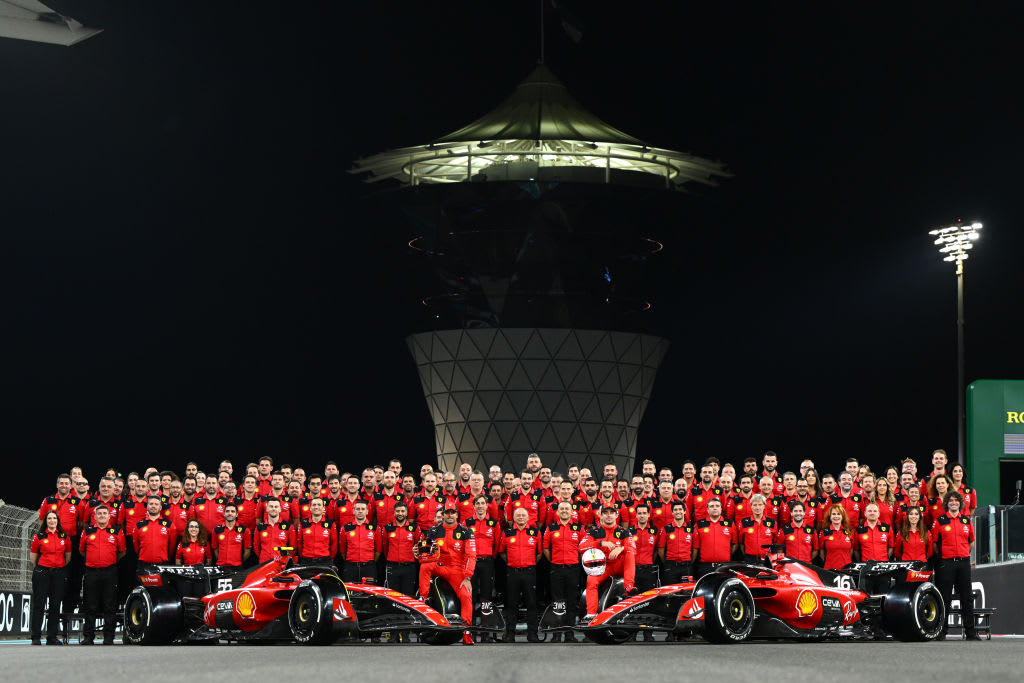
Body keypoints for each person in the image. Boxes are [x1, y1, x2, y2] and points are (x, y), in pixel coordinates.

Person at [417, 501, 476, 645]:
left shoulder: (466, 532)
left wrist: (468, 576)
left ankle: (466, 633)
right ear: (443, 515)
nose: (450, 515)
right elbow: (424, 554)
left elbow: (471, 555)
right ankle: (422, 599)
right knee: (425, 566)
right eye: (447, 513)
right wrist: (418, 554)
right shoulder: (433, 531)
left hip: (458, 571)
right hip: (440, 567)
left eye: (452, 512)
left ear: (457, 514)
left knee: (466, 596)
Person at [930, 491, 980, 640]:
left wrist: (963, 555)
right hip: (946, 563)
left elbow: (971, 542)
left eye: (956, 500)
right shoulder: (940, 521)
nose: (953, 502)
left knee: (967, 598)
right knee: (944, 598)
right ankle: (942, 632)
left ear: (960, 503)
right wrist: (945, 558)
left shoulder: (966, 520)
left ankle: (970, 633)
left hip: (964, 562)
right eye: (950, 500)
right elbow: (934, 545)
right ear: (946, 503)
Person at [578, 505, 636, 624]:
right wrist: (601, 542)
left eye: (611, 512)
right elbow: (581, 547)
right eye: (605, 512)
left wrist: (621, 548)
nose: (608, 515)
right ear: (600, 515)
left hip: (620, 566)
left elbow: (633, 549)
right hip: (604, 567)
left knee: (629, 553)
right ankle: (591, 614)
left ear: (616, 515)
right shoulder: (594, 531)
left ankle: (628, 588)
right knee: (591, 580)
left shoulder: (624, 531)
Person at [78, 505, 124, 645]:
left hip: (109, 572)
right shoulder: (87, 530)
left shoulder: (116, 531)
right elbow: (81, 550)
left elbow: (122, 551)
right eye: (100, 514)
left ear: (109, 516)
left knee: (109, 605)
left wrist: (109, 561)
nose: (102, 515)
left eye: (105, 513)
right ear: (95, 516)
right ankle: (88, 637)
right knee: (90, 605)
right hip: (91, 572)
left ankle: (108, 637)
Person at [543, 501, 582, 643]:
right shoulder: (551, 528)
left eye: (567, 509)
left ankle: (569, 633)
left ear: (572, 512)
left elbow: (583, 547)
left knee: (571, 602)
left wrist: (576, 560)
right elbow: (545, 548)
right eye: (562, 509)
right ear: (557, 512)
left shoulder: (578, 528)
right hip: (557, 569)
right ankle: (556, 634)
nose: (564, 511)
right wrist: (553, 560)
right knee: (557, 602)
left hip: (573, 569)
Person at [29, 510, 70, 645]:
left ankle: (51, 637)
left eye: (54, 518)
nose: (52, 521)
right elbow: (33, 557)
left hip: (58, 573)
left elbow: (68, 556)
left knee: (55, 605)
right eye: (49, 519)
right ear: (46, 521)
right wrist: (42, 567)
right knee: (39, 605)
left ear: (58, 521)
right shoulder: (39, 536)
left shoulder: (64, 536)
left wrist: (58, 566)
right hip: (42, 572)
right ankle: (36, 637)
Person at [465, 495, 501, 641]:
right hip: (471, 563)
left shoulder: (494, 523)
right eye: (477, 503)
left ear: (487, 506)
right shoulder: (467, 522)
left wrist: (489, 557)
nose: (480, 506)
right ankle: (471, 630)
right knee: (470, 598)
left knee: (486, 598)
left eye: (483, 503)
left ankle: (486, 632)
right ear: (473, 506)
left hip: (487, 562)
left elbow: (497, 544)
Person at [338, 500, 379, 584]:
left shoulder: (375, 528)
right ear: (353, 511)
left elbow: (378, 550)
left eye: (363, 509)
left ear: (367, 511)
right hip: (351, 567)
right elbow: (342, 550)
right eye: (358, 509)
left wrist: (369, 562)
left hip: (369, 567)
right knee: (350, 593)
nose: (360, 511)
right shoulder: (345, 528)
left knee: (369, 594)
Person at [692, 498, 734, 577]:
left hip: (724, 566)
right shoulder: (699, 524)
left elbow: (735, 544)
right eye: (712, 506)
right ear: (707, 510)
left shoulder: (730, 524)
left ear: (721, 509)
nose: (714, 508)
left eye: (717, 506)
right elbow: (695, 546)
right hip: (704, 567)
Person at [254, 499, 295, 564]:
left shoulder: (288, 527)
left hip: (281, 564)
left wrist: (284, 560)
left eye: (276, 507)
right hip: (263, 564)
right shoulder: (259, 527)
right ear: (267, 508)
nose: (273, 509)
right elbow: (256, 548)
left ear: (280, 509)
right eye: (271, 506)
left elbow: (292, 548)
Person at [737, 494, 776, 563]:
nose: (757, 508)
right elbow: (741, 543)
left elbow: (774, 541)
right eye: (755, 505)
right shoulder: (743, 523)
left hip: (767, 560)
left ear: (764, 506)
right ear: (751, 506)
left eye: (760, 505)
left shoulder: (772, 523)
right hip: (749, 559)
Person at [297, 497, 336, 565]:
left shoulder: (330, 523)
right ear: (310, 508)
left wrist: (329, 557)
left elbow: (334, 544)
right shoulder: (303, 523)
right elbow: (299, 543)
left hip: (325, 561)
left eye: (319, 505)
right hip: (306, 560)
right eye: (314, 505)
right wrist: (304, 556)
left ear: (323, 508)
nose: (316, 507)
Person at [212, 502, 251, 568]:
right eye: (227, 511)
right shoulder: (216, 530)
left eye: (232, 511)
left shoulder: (245, 530)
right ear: (224, 514)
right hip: (221, 566)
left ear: (236, 514)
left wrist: (238, 563)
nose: (230, 513)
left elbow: (247, 551)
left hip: (237, 567)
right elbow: (215, 549)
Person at [819, 504, 854, 570]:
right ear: (830, 517)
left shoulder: (850, 532)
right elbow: (821, 552)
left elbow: (851, 550)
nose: (836, 516)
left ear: (842, 516)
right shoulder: (824, 532)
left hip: (846, 569)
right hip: (830, 570)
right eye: (833, 514)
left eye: (838, 514)